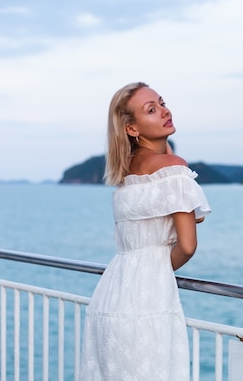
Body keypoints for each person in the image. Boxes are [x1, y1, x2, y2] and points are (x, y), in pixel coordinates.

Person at [79, 82, 211, 381]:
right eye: (151, 110)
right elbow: (187, 245)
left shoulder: (127, 171)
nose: (164, 111)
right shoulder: (173, 167)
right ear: (132, 129)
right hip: (146, 300)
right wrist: (156, 272)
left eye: (162, 102)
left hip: (110, 296)